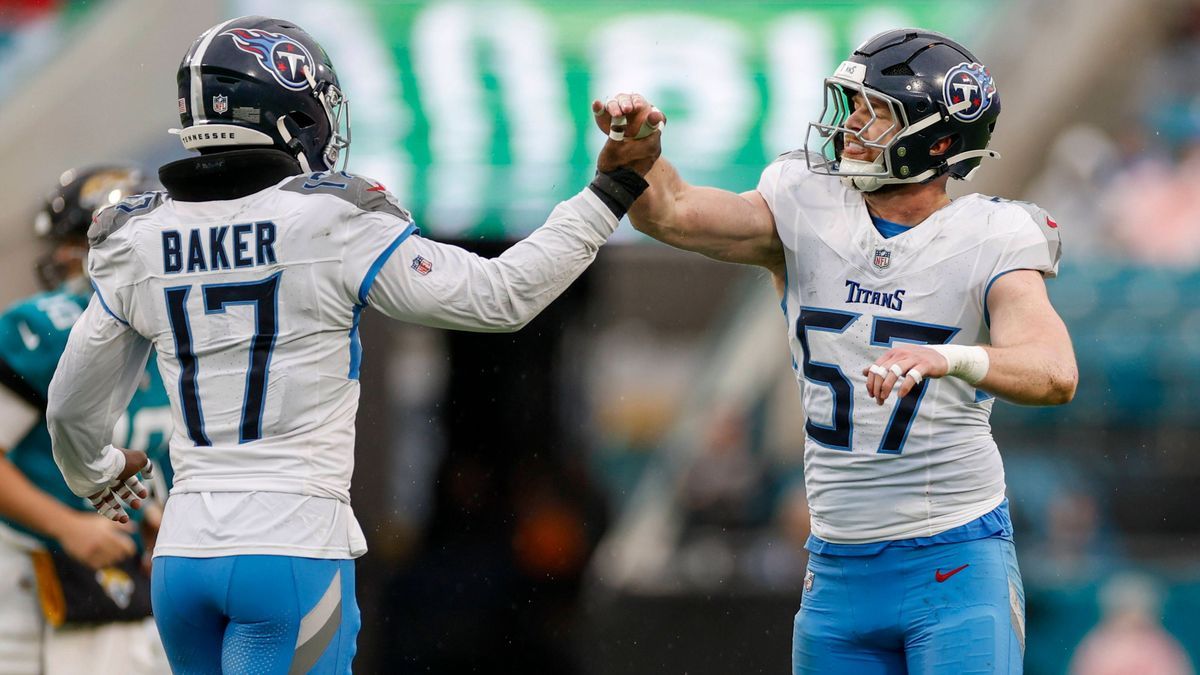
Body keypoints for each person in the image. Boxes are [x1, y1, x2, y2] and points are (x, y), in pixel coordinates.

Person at [46, 15, 662, 674]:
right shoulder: (330, 218)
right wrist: (611, 191)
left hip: (182, 559)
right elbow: (501, 296)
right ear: (282, 106)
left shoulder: (139, 236)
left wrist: (98, 473)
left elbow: (68, 408)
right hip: (290, 550)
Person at [593, 29, 1077, 674]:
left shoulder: (991, 235)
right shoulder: (806, 203)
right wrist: (637, 159)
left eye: (876, 110)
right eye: (852, 104)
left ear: (936, 141)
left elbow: (1054, 372)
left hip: (955, 561)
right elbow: (673, 213)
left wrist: (950, 358)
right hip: (836, 570)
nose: (850, 124)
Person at [0, 165, 172, 674]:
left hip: (124, 580)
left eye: (76, 239)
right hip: (26, 573)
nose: (61, 258)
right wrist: (66, 525)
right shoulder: (44, 328)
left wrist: (160, 512)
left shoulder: (176, 327)